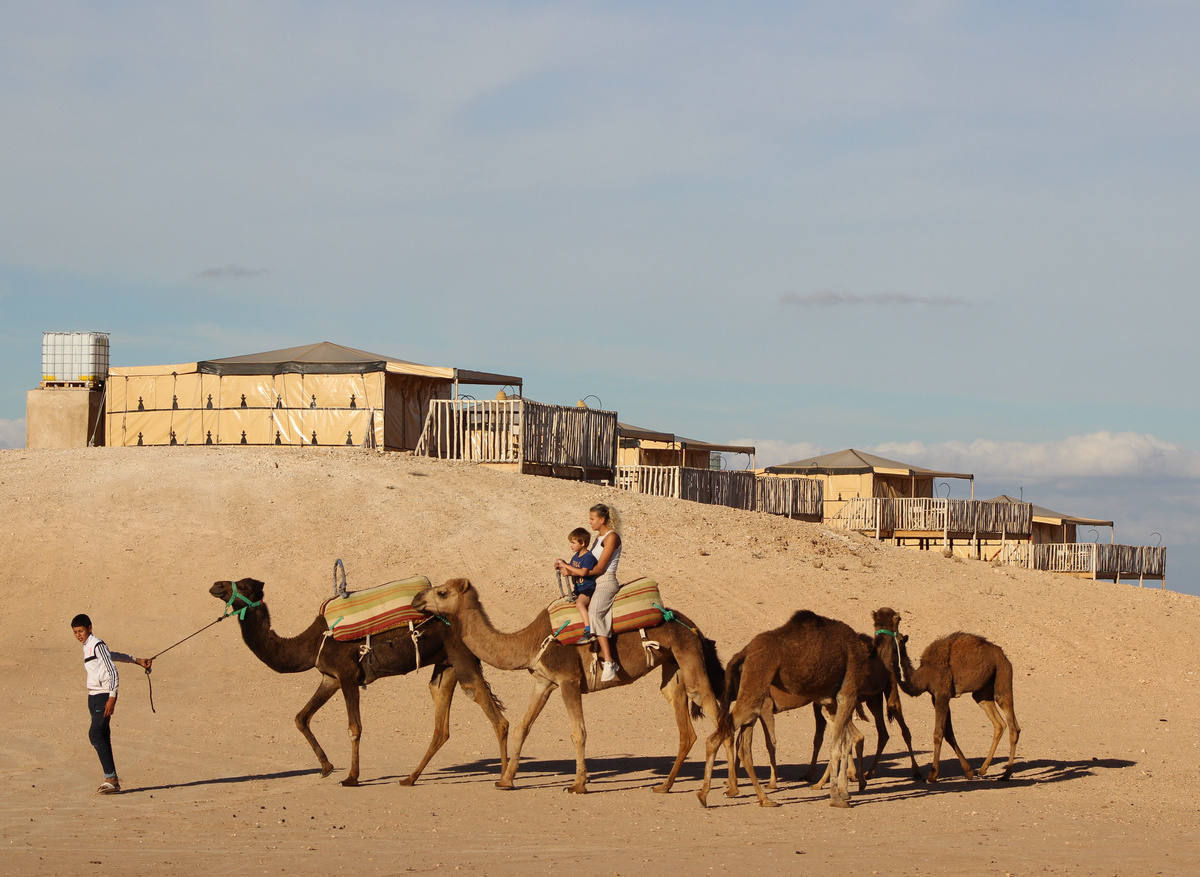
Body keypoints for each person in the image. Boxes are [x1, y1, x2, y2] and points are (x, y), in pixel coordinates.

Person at [71, 614, 152, 794]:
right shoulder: (88, 647)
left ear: (90, 628)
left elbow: (112, 670)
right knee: (102, 735)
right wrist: (136, 660)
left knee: (95, 734)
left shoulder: (97, 644)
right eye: (75, 632)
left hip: (103, 695)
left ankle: (111, 778)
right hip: (93, 696)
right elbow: (112, 655)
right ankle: (112, 780)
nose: (78, 635)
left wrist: (112, 697)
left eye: (81, 631)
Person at [555, 503, 622, 682]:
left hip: (606, 581)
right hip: (592, 583)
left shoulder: (611, 537)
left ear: (602, 519)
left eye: (592, 519)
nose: (590, 522)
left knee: (594, 613)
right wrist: (567, 568)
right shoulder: (597, 539)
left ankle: (609, 661)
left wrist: (576, 571)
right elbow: (585, 564)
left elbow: (599, 568)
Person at [562, 526, 597, 641]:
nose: (571, 545)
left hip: (587, 588)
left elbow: (583, 572)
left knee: (580, 604)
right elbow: (572, 571)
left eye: (573, 542)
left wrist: (567, 566)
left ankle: (588, 630)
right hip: (578, 588)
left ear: (582, 543)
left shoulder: (588, 557)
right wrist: (562, 567)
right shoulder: (575, 557)